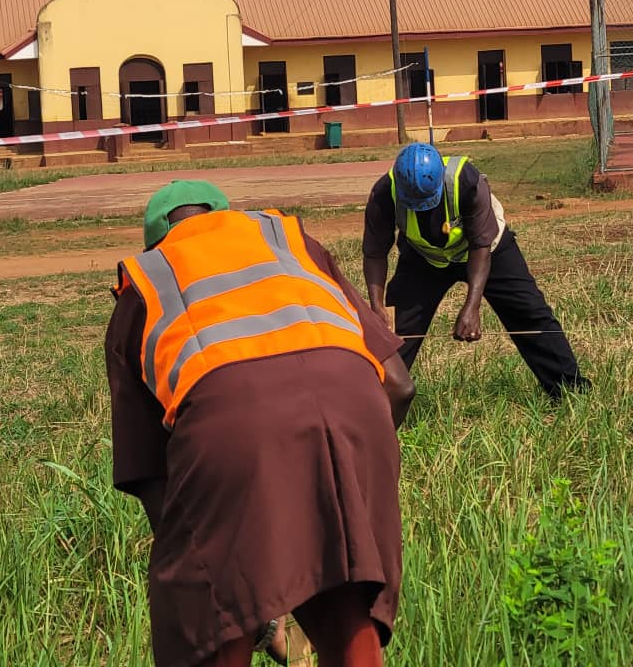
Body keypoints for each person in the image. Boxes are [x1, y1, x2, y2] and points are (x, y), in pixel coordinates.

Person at [105, 179, 414, 667]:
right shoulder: (290, 241)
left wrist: (222, 578)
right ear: (227, 216)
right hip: (356, 406)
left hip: (230, 423)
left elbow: (153, 478)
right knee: (345, 581)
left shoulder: (147, 278)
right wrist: (343, 484)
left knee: (206, 619)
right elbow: (398, 385)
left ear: (156, 241)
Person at [363, 143, 591, 400]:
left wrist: (472, 306)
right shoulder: (384, 193)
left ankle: (570, 391)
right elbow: (374, 253)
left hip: (486, 251)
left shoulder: (467, 181)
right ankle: (375, 402)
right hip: (424, 258)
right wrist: (377, 307)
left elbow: (480, 245)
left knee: (528, 312)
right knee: (392, 332)